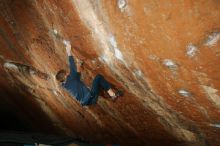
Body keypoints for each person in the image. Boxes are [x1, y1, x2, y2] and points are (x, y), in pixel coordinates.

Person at [56, 40, 123, 106]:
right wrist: (68, 51)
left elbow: (77, 77)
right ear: (65, 76)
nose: (68, 73)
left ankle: (107, 91)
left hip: (88, 101)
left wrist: (79, 64)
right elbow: (72, 65)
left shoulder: (65, 85)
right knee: (98, 77)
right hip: (91, 97)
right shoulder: (71, 79)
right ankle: (113, 95)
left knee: (98, 84)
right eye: (66, 73)